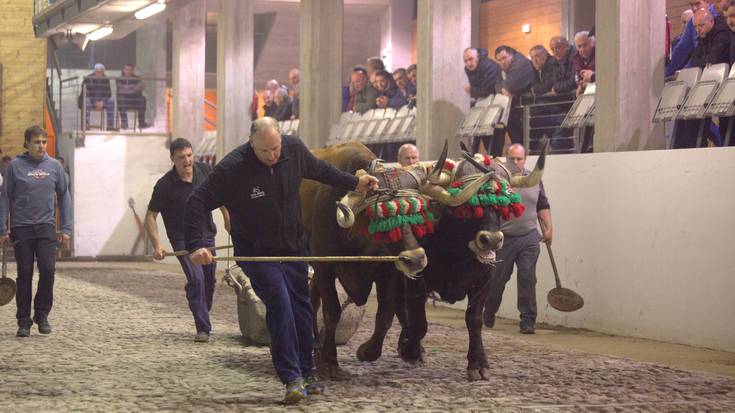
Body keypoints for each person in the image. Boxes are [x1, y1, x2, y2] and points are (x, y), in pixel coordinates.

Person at [183, 117, 379, 404]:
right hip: (256, 252)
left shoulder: (294, 149)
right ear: (252, 144)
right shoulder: (232, 168)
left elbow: (322, 171)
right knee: (280, 302)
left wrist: (355, 183)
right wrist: (196, 244)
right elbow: (196, 202)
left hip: (293, 248)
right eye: (265, 151)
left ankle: (308, 372)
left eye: (276, 149)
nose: (273, 156)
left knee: (302, 306)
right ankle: (291, 378)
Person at [145, 138, 230, 342]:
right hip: (182, 239)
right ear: (173, 159)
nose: (187, 160)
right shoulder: (165, 185)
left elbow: (222, 197)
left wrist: (228, 218)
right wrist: (157, 244)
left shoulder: (206, 172)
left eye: (190, 155)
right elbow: (150, 216)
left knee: (209, 280)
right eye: (182, 157)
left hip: (206, 234)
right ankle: (203, 328)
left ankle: (196, 295)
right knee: (197, 278)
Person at [0, 126, 72, 338]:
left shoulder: (54, 167)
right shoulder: (15, 166)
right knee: (25, 273)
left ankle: (41, 315)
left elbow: (64, 196)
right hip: (22, 228)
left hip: (46, 227)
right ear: (27, 144)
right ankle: (23, 319)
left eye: (43, 141)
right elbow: (5, 198)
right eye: (37, 142)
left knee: (48, 270)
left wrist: (66, 228)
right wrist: (2, 228)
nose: (41, 145)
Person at [484, 143, 551, 335]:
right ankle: (489, 311)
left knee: (527, 278)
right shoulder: (496, 180)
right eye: (511, 158)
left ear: (525, 158)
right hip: (503, 239)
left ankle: (528, 320)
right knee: (497, 280)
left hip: (529, 236)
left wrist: (549, 228)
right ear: (506, 158)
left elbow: (542, 204)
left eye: (519, 159)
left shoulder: (534, 179)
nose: (515, 162)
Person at [464, 47, 502, 155]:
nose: (468, 63)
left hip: (495, 105)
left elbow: (487, 90)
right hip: (483, 105)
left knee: (494, 141)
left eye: (471, 59)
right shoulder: (468, 69)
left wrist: (472, 91)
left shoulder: (489, 67)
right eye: (466, 61)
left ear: (478, 57)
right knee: (482, 138)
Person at [81, 63, 115, 130]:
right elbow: (86, 93)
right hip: (92, 100)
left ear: (103, 72)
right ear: (95, 71)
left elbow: (108, 93)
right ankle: (86, 124)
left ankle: (110, 126)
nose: (99, 73)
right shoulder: (88, 78)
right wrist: (95, 101)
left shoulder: (106, 79)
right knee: (86, 101)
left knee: (111, 101)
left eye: (101, 72)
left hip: (102, 101)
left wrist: (103, 102)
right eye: (98, 72)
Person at [116, 64, 150, 130]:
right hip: (125, 102)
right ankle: (124, 123)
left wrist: (128, 88)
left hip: (135, 100)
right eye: (127, 69)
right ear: (124, 70)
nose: (128, 71)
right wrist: (134, 88)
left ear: (133, 71)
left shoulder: (137, 78)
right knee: (120, 98)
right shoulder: (119, 79)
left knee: (143, 99)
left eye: (130, 70)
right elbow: (121, 90)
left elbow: (142, 86)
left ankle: (141, 123)